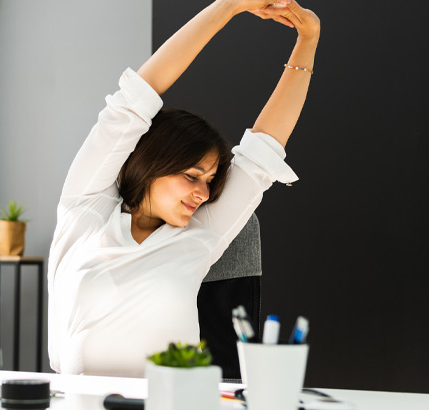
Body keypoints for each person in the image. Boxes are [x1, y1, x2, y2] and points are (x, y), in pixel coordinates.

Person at [47, 0, 320, 377]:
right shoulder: (85, 208)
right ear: (152, 164)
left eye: (210, 181)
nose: (203, 194)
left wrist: (308, 39)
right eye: (192, 176)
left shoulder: (199, 236)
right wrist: (228, 6)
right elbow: (136, 98)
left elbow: (263, 152)